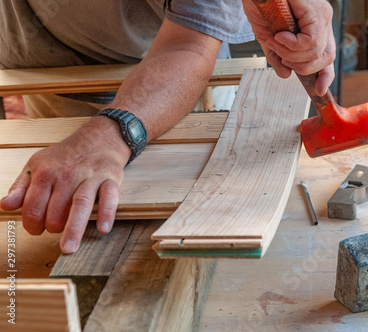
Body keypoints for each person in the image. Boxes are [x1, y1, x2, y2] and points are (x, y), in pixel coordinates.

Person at [0, 0, 335, 254]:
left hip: (170, 67)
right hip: (50, 66)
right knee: (67, 204)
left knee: (196, 219)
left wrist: (110, 134)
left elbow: (188, 46)